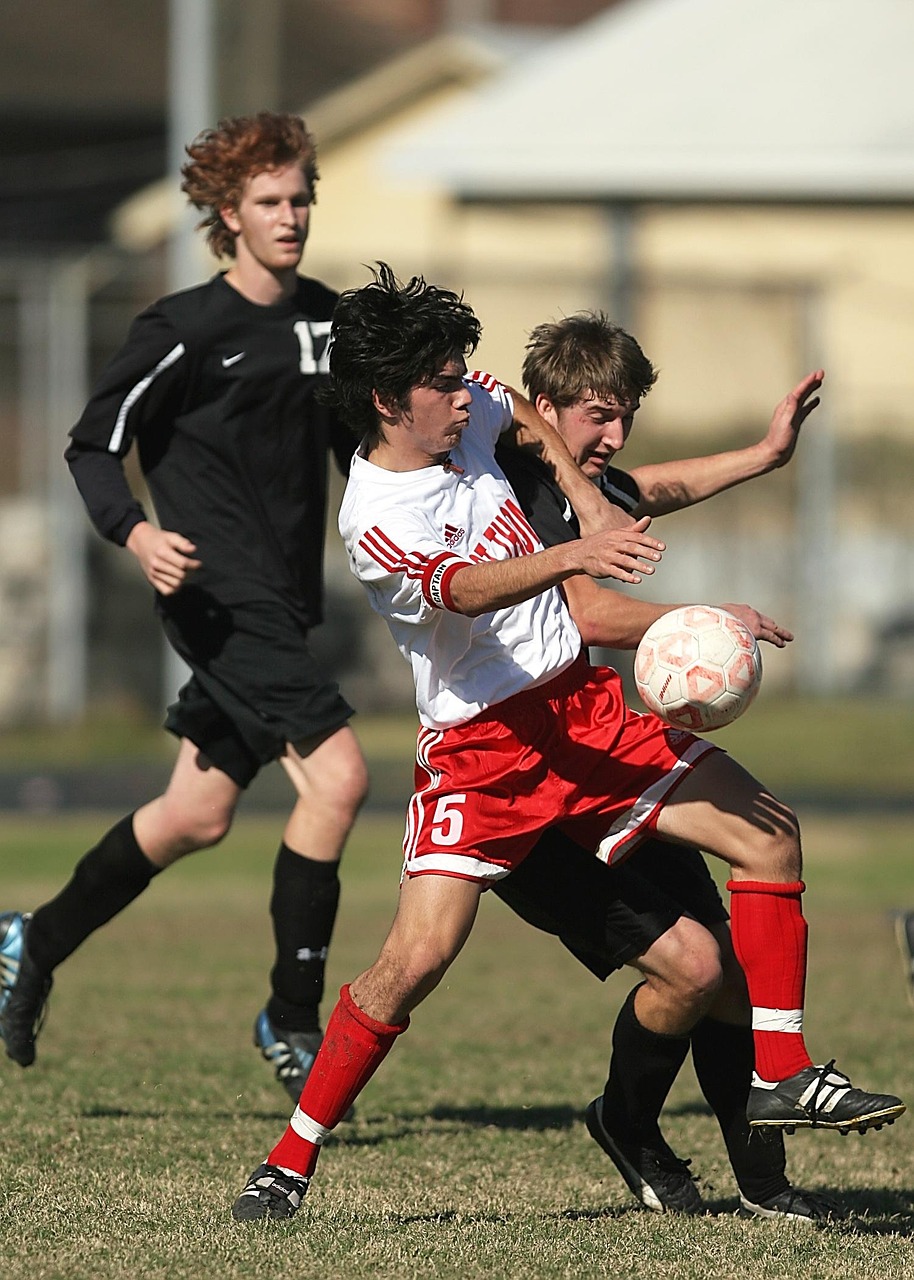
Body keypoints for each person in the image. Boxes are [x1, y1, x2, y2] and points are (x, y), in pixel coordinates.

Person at [230, 265, 904, 1222]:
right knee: (413, 962)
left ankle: (781, 1073)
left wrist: (586, 499)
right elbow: (460, 589)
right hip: (481, 751)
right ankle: (289, 1159)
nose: (468, 392)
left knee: (770, 832)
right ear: (388, 401)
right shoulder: (374, 516)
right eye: (444, 381)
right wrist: (576, 551)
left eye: (465, 372)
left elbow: (523, 411)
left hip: (581, 712)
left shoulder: (472, 417)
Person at [0, 111, 368, 1105]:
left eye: (300, 198)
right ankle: (292, 1013)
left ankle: (33, 938)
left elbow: (360, 455)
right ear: (224, 212)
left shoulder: (330, 322)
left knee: (194, 814)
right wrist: (136, 533)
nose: (290, 216)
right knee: (337, 778)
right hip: (212, 595)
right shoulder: (183, 329)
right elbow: (91, 443)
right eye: (268, 202)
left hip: (283, 602)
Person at [489, 311, 841, 1220]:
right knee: (693, 969)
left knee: (725, 969)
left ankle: (764, 1183)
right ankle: (631, 1126)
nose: (614, 438)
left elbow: (663, 485)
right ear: (548, 409)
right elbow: (590, 614)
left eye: (626, 416)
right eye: (597, 416)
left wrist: (764, 456)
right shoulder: (519, 494)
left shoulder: (588, 483)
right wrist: (703, 620)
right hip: (527, 793)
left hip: (601, 760)